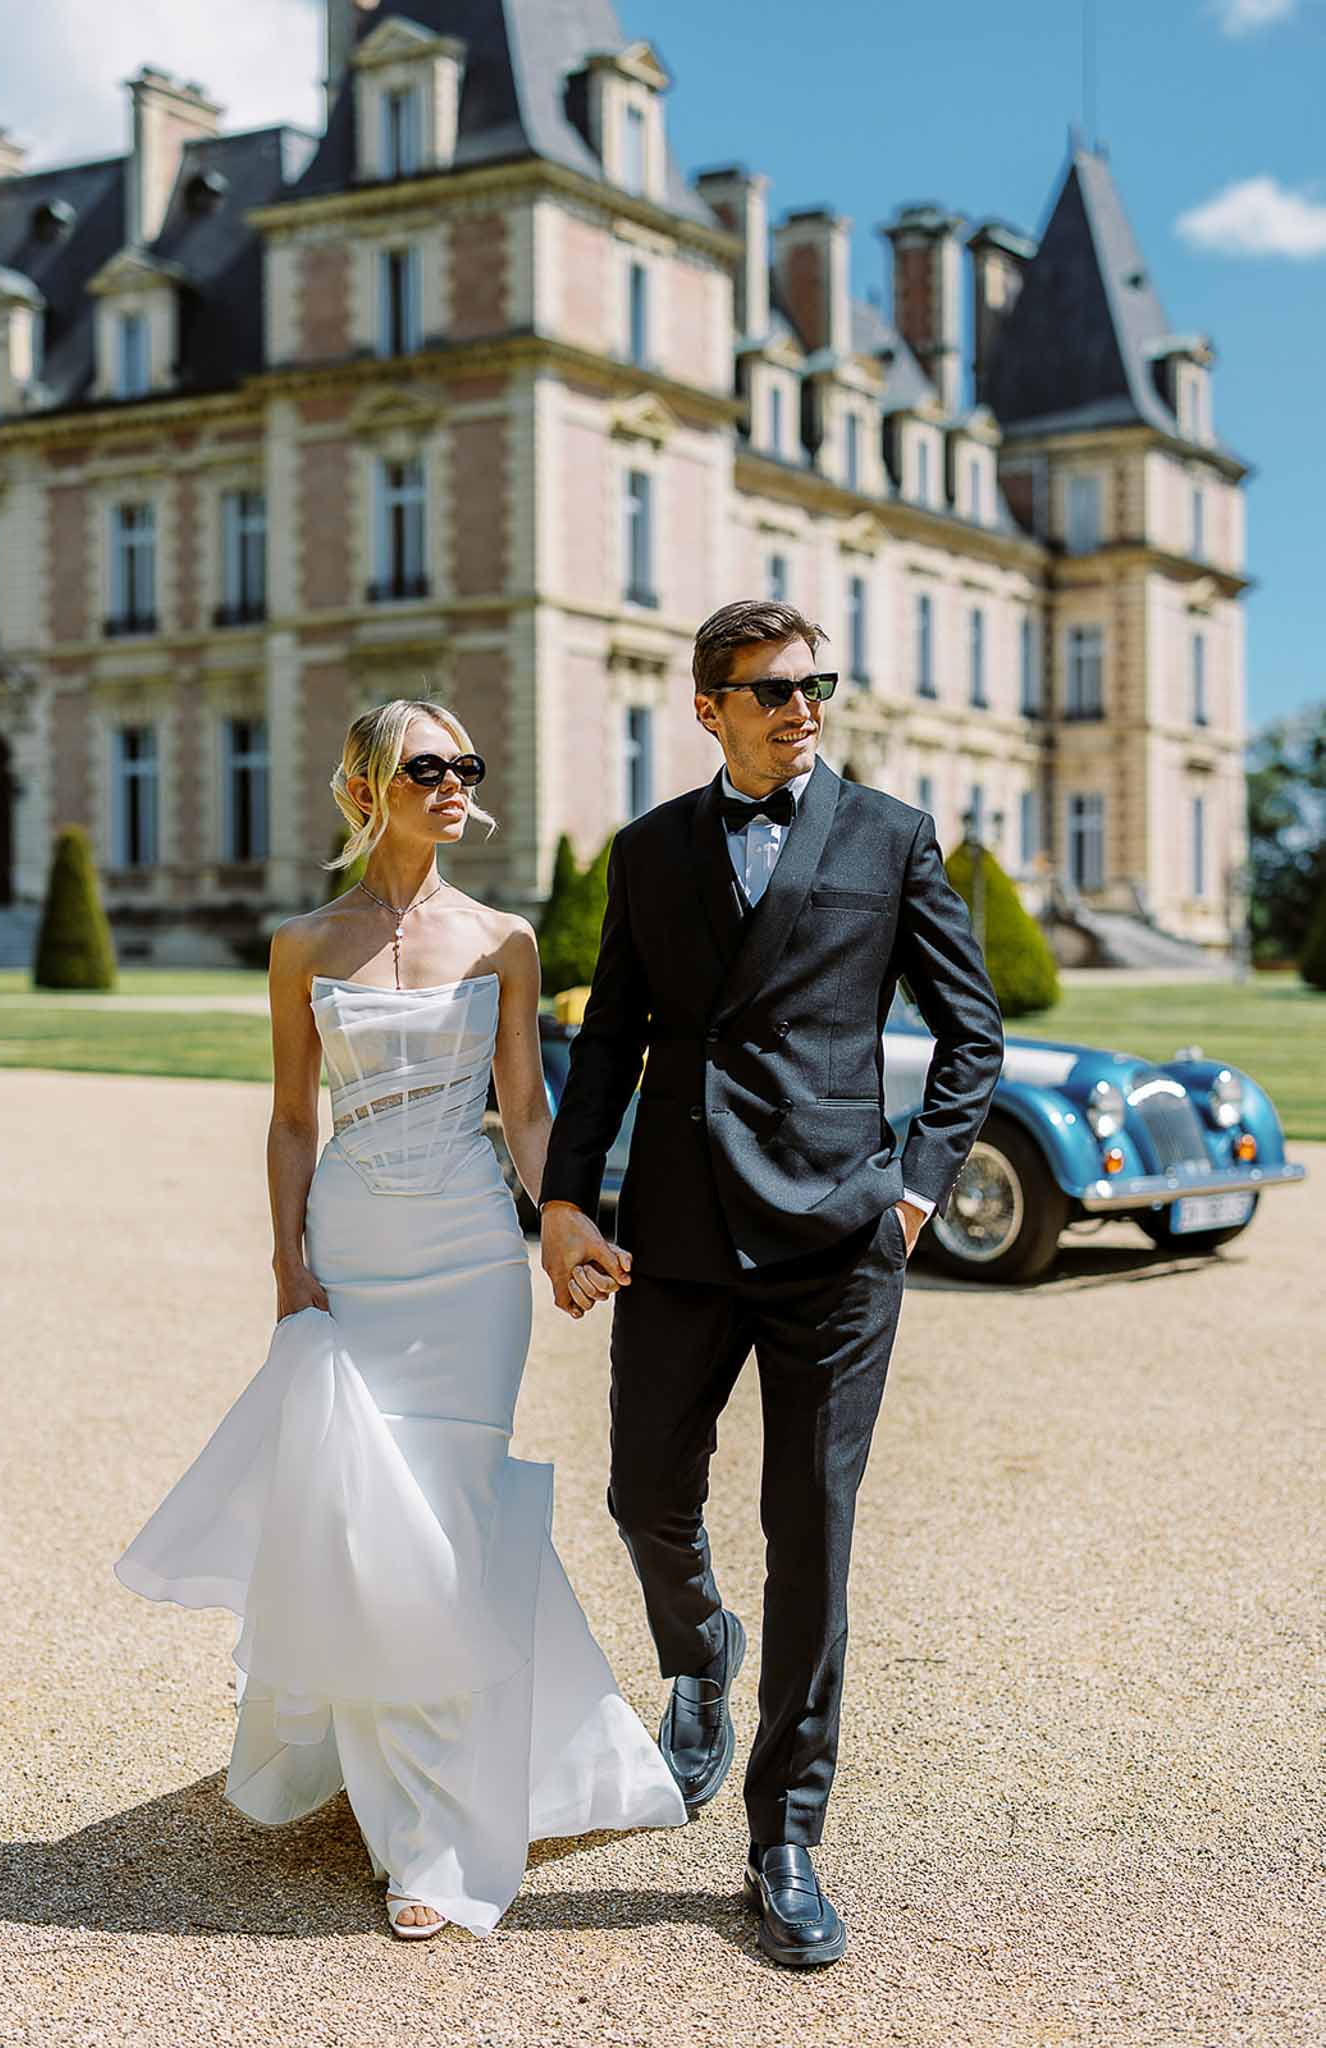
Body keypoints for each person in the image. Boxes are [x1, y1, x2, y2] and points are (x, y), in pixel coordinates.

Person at [115, 698, 685, 1942]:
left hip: (472, 1263)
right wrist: (284, 1261)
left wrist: (564, 1221)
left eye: (466, 766)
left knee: (450, 1516)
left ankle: (431, 1832)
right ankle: (398, 1789)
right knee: (367, 1521)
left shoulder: (504, 939)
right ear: (367, 786)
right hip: (357, 1255)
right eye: (429, 765)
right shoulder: (304, 943)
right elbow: (287, 1117)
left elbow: (527, 1110)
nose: (454, 784)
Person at [538, 600, 1005, 1968]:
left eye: (816, 684)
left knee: (810, 1531)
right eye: (771, 689)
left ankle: (782, 1836)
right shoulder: (645, 852)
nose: (802, 706)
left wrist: (913, 1188)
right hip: (677, 1229)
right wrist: (565, 1199)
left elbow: (969, 1032)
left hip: (835, 1240)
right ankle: (698, 1657)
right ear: (708, 708)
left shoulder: (889, 836)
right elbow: (611, 1033)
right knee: (639, 1492)